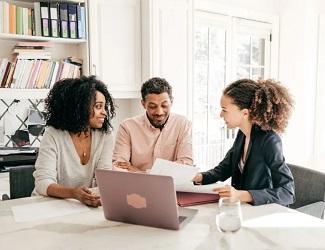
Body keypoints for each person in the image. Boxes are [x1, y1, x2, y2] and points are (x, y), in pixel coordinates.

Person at [192, 79, 295, 206]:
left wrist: (241, 195)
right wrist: (198, 177)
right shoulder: (242, 134)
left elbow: (287, 192)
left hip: (264, 212)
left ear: (245, 113)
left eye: (224, 110)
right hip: (244, 210)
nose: (220, 115)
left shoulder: (269, 140)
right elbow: (225, 168)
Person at [33, 76, 115, 207]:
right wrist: (74, 193)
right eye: (98, 106)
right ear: (80, 107)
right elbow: (43, 183)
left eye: (104, 107)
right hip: (48, 205)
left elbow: (104, 178)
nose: (104, 113)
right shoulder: (53, 134)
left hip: (82, 205)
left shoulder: (105, 136)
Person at [113, 77, 193, 172]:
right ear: (143, 104)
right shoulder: (127, 127)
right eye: (152, 106)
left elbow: (186, 164)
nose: (159, 112)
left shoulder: (183, 124)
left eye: (164, 105)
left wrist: (140, 172)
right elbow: (119, 166)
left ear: (171, 102)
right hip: (135, 185)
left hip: (170, 186)